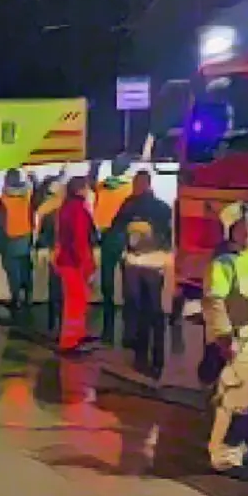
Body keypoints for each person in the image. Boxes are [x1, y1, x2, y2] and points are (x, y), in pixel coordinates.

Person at [199, 202, 248, 481]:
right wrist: (224, 337)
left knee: (247, 397)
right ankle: (223, 455)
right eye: (242, 229)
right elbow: (214, 302)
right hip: (237, 340)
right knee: (231, 398)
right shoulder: (222, 264)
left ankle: (237, 449)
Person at [110, 170, 173, 379]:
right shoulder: (163, 208)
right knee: (153, 312)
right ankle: (157, 359)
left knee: (138, 309)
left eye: (137, 183)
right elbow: (169, 235)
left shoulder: (130, 205)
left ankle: (141, 355)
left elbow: (116, 228)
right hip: (155, 265)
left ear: (143, 184)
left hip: (137, 264)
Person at [92, 160, 135, 344]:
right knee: (127, 272)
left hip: (105, 233)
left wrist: (94, 166)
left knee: (107, 272)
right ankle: (128, 306)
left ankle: (108, 304)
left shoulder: (103, 186)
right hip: (123, 233)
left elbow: (91, 185)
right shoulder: (131, 187)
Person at [53, 176, 97, 353]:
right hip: (74, 262)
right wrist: (87, 263)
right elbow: (80, 240)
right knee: (75, 302)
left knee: (77, 300)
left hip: (66, 260)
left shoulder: (65, 207)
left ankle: (78, 334)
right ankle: (70, 341)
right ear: (80, 190)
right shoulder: (78, 210)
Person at [0, 169, 36, 316]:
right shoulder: (27, 195)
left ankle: (16, 298)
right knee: (25, 267)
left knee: (13, 270)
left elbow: (0, 222)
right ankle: (29, 296)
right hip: (26, 235)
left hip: (10, 237)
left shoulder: (3, 200)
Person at [34, 177, 65, 333]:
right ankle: (64, 322)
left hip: (54, 252)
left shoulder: (45, 208)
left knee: (54, 287)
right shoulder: (68, 206)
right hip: (68, 253)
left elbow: (40, 232)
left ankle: (52, 322)